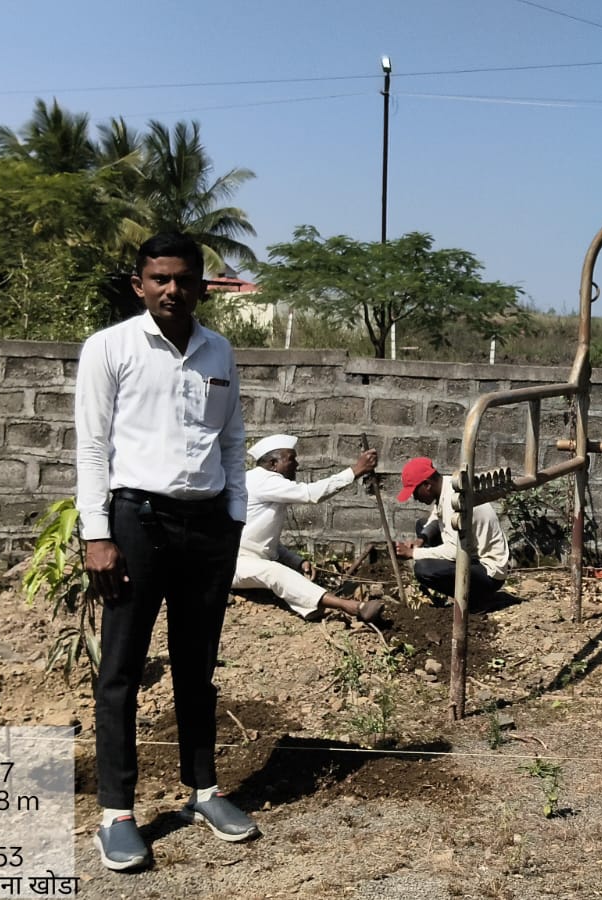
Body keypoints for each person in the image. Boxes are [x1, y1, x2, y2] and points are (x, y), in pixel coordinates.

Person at [75, 232, 257, 873]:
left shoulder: (219, 351)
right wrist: (97, 534)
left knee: (196, 663)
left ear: (202, 286)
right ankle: (117, 814)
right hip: (136, 523)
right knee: (121, 668)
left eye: (183, 279)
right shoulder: (110, 348)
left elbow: (231, 438)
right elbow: (92, 447)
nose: (172, 290)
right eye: (160, 279)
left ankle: (203, 790)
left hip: (207, 526)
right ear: (140, 284)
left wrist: (235, 516)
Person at [232, 434, 385, 624]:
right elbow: (311, 494)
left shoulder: (260, 481)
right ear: (273, 464)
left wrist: (298, 561)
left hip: (243, 561)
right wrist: (355, 470)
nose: (296, 464)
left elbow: (261, 543)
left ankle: (318, 605)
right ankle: (352, 606)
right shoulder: (263, 480)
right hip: (233, 565)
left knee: (276, 570)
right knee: (274, 572)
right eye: (291, 459)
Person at [393, 457, 509, 605]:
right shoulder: (447, 485)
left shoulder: (454, 501)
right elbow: (437, 515)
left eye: (415, 492)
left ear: (427, 485)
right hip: (470, 554)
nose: (415, 498)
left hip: (488, 573)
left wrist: (413, 553)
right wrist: (421, 539)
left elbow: (454, 551)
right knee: (423, 526)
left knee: (424, 569)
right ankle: (451, 587)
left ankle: (475, 601)